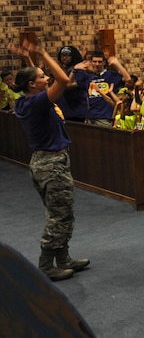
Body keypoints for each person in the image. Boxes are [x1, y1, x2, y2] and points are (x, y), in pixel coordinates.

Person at [9, 40, 89, 282]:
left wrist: (28, 60)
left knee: (63, 212)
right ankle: (46, 265)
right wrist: (43, 52)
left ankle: (63, 259)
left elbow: (33, 81)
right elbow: (64, 81)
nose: (47, 78)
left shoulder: (27, 99)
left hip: (46, 163)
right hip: (52, 165)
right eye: (42, 76)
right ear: (33, 84)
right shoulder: (37, 102)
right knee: (59, 216)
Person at [86, 49, 131, 126]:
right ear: (91, 62)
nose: (97, 64)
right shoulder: (89, 77)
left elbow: (127, 78)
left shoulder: (110, 74)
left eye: (99, 62)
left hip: (105, 116)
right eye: (94, 61)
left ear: (104, 62)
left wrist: (117, 64)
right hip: (90, 116)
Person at [54, 46, 91, 122]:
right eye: (62, 55)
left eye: (67, 55)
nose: (64, 58)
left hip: (76, 113)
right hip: (64, 112)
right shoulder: (65, 72)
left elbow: (68, 85)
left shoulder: (80, 72)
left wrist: (74, 69)